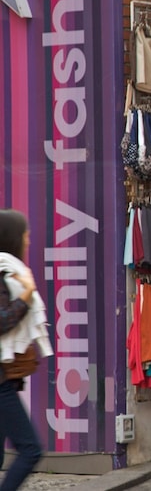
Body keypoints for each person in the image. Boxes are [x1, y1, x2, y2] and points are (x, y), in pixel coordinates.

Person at [0, 210, 43, 491]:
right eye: (25, 235)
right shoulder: (4, 272)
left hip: (5, 380)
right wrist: (27, 295)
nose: (28, 240)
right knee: (30, 449)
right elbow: (2, 320)